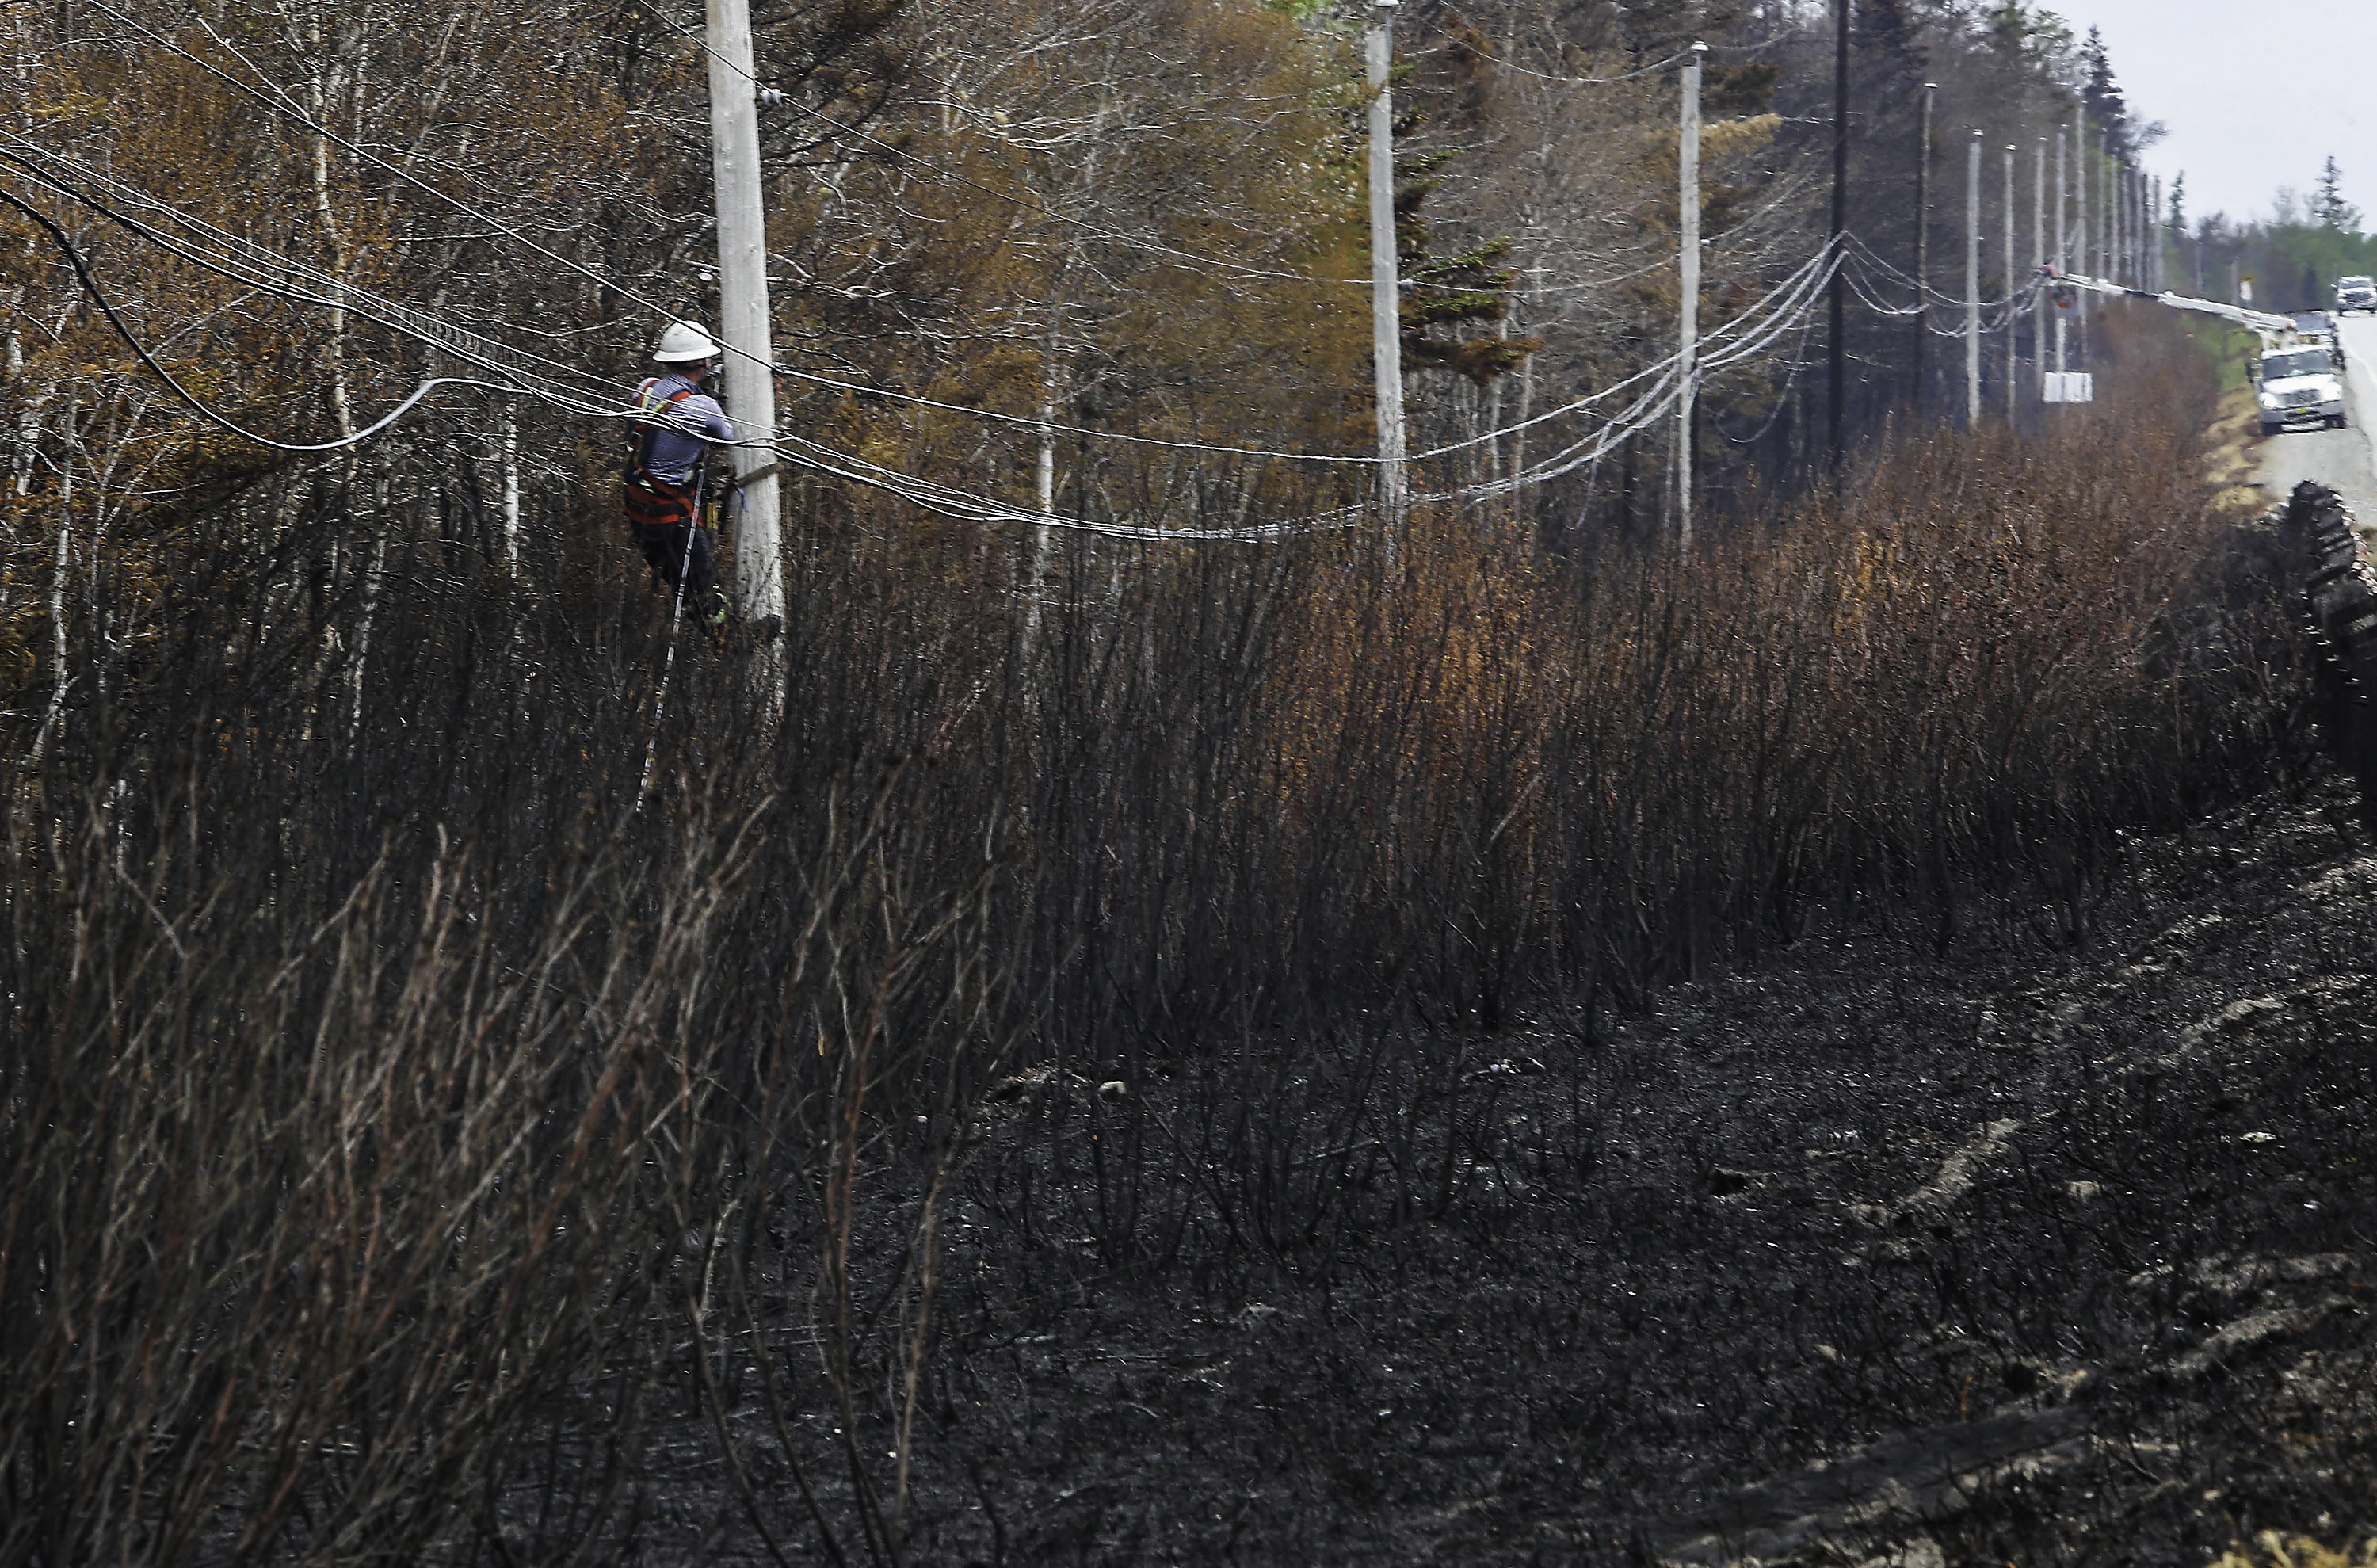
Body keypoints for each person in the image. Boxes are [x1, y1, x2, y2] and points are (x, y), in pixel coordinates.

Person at [623, 321, 734, 628]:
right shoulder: (702, 406)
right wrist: (713, 402)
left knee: (680, 583)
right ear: (702, 362)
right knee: (704, 583)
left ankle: (710, 646)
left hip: (639, 511)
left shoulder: (645, 390)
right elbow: (727, 435)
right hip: (672, 517)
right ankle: (731, 642)